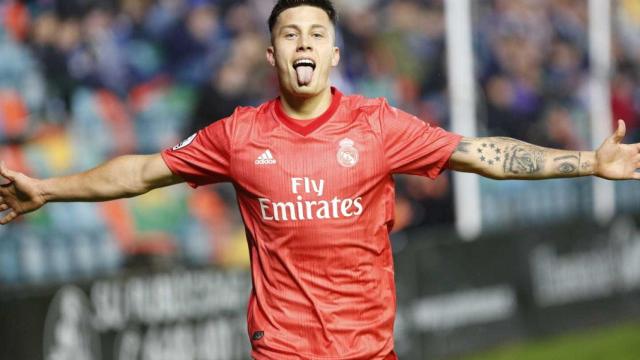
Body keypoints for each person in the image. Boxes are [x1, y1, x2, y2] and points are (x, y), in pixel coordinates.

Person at [1, 1, 639, 359]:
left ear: (334, 54)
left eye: (317, 33)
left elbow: (482, 153)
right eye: (289, 33)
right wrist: (48, 188)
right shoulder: (239, 134)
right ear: (272, 52)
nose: (303, 43)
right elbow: (142, 170)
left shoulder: (378, 125)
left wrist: (586, 161)